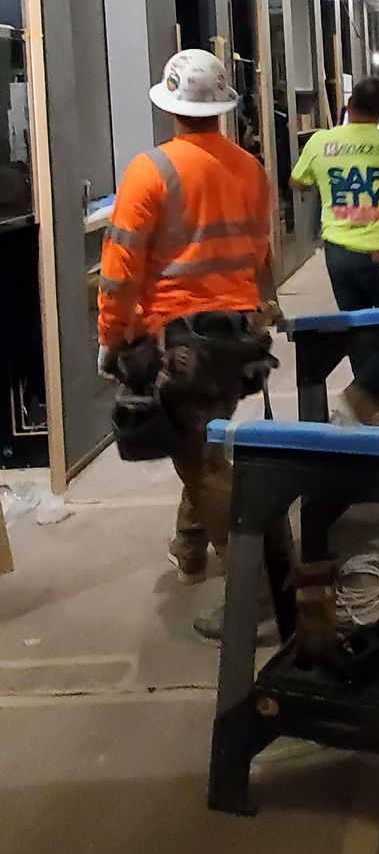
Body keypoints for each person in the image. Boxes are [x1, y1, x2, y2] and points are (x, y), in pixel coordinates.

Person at [97, 49, 277, 637]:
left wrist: (113, 337)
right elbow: (259, 250)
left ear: (170, 106)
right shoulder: (250, 168)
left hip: (179, 338)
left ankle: (255, 599)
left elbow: (120, 269)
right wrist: (261, 314)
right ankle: (191, 546)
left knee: (204, 464)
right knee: (200, 442)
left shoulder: (151, 171)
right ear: (223, 106)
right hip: (233, 337)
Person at [291, 74, 379, 425]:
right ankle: (365, 390)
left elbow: (297, 182)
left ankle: (372, 404)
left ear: (348, 106)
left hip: (338, 253)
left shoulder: (321, 142)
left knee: (358, 326)